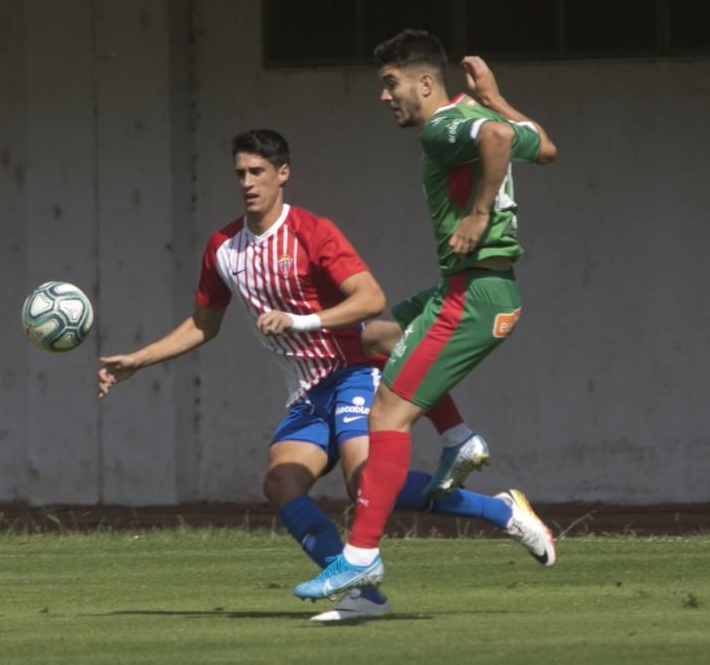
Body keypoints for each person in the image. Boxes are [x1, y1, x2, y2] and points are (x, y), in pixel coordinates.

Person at [98, 129, 554, 621]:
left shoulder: (312, 232)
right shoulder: (223, 248)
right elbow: (202, 326)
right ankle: (364, 595)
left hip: (355, 371)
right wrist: (137, 361)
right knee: (282, 484)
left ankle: (504, 512)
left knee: (367, 482)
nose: (248, 183)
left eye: (258, 172)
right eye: (240, 174)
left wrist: (299, 321)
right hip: (306, 390)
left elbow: (371, 299)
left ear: (282, 175)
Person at [294, 30, 558, 601]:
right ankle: (459, 438)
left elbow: (492, 137)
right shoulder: (470, 111)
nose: (384, 96)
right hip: (466, 289)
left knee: (386, 417)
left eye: (391, 85)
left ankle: (360, 558)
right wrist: (495, 96)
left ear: (424, 82)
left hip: (476, 295)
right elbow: (540, 145)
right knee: (376, 337)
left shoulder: (443, 128)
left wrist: (480, 212)